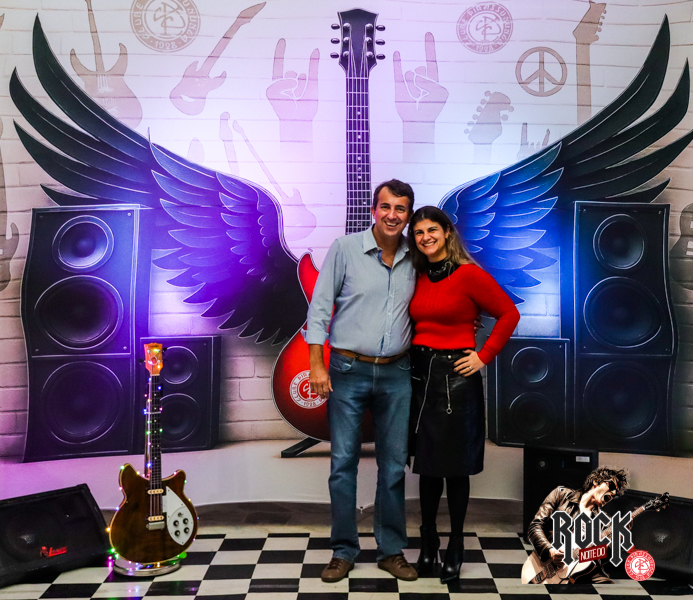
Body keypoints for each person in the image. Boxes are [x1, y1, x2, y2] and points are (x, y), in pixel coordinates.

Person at [306, 179, 418, 583]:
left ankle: (391, 551)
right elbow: (319, 309)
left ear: (409, 215)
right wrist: (317, 365)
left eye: (401, 209)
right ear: (373, 210)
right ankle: (343, 550)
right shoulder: (345, 249)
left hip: (397, 373)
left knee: (394, 466)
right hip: (347, 370)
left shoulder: (417, 255)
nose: (392, 215)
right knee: (342, 464)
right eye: (386, 207)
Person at [407, 206, 520, 583]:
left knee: (454, 468)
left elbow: (509, 313)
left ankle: (456, 544)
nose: (425, 237)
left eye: (432, 230)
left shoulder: (468, 274)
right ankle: (428, 544)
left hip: (455, 378)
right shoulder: (417, 275)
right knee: (426, 466)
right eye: (418, 232)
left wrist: (484, 356)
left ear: (447, 232)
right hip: (420, 376)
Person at [526, 466, 629, 584]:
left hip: (582, 571)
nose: (613, 493)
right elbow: (535, 526)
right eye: (611, 486)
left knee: (609, 587)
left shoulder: (604, 521)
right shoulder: (561, 495)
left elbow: (603, 556)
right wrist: (550, 551)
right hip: (550, 567)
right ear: (595, 481)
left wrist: (618, 538)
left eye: (616, 494)